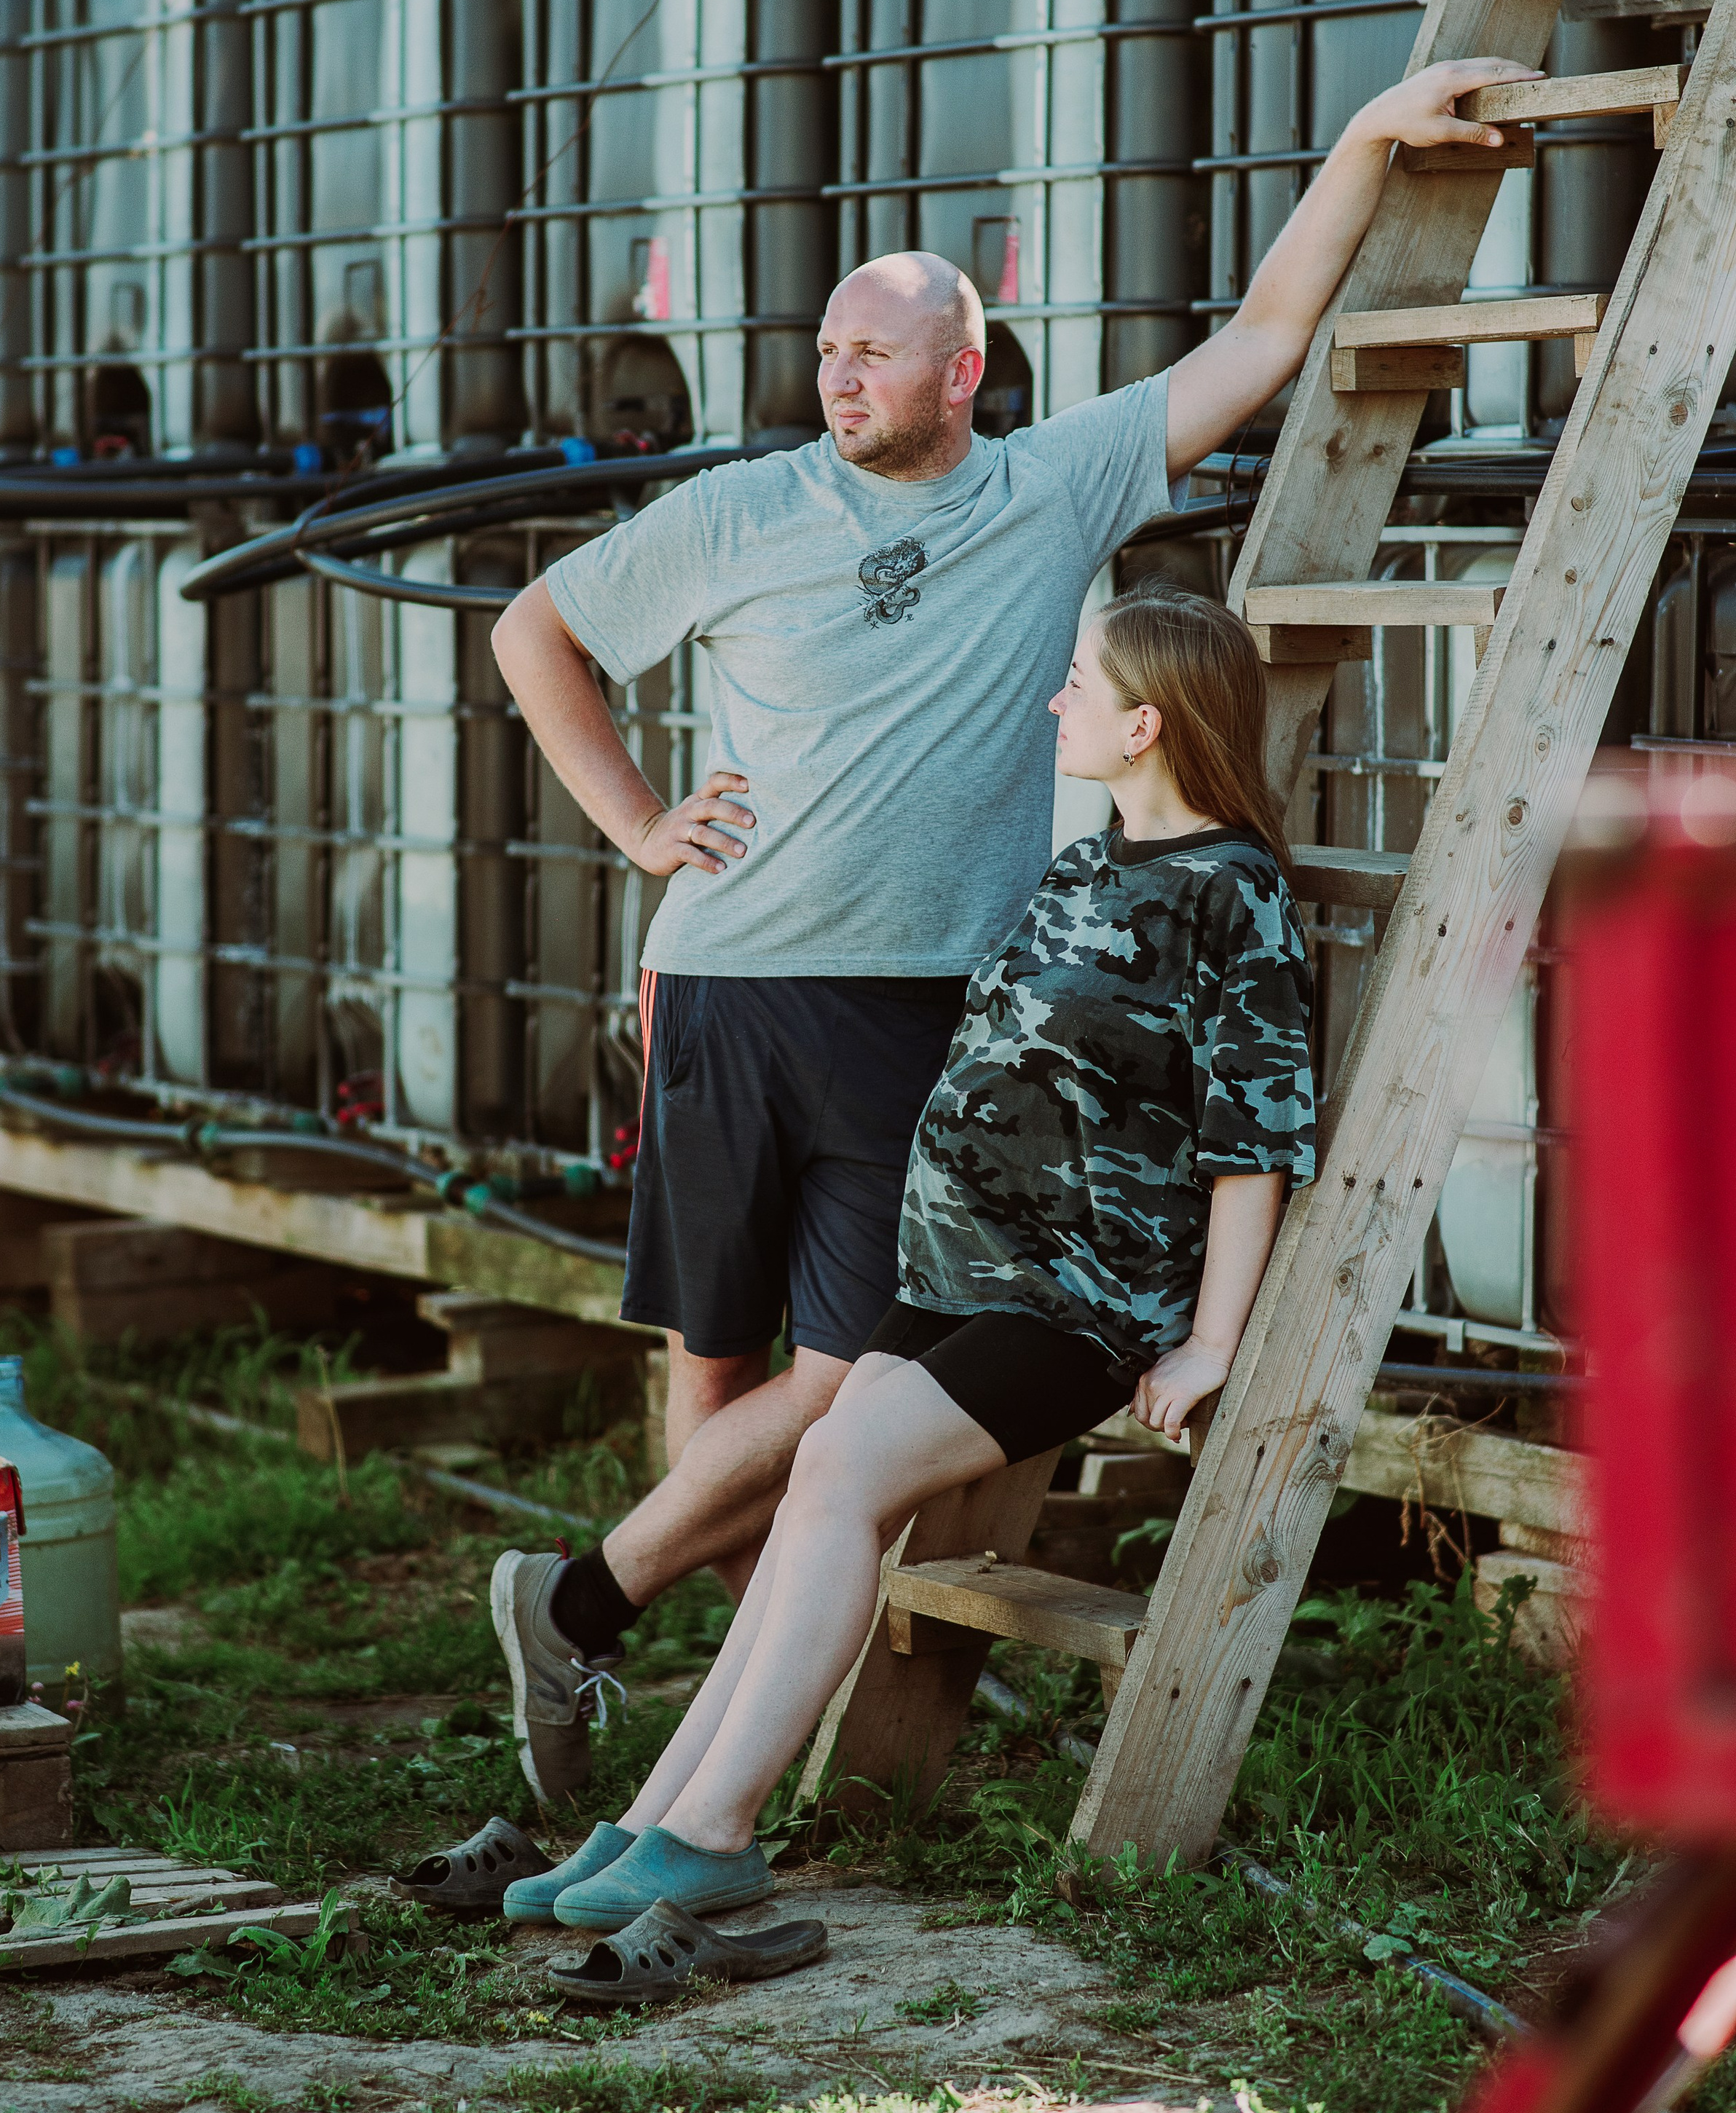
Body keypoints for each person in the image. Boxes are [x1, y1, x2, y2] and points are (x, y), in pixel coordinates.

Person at [484, 53, 1531, 1804]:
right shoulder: (740, 510)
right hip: (726, 973)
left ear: (958, 371)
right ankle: (713, 1707)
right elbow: (534, 632)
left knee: (847, 1372)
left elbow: (1267, 336)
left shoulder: (1049, 488)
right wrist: (640, 825)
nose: (837, 375)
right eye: (826, 350)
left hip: (926, 1006)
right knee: (713, 1349)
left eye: (871, 351)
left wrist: (1360, 135)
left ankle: (592, 1609)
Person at [500, 583, 1316, 1933]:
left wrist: (1211, 1341)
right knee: (820, 1477)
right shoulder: (1087, 865)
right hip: (959, 1278)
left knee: (840, 1474)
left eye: (1079, 683)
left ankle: (713, 1833)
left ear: (1146, 726)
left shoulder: (1232, 897)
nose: (1055, 700)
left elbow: (1254, 1141)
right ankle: (652, 1819)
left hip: (1082, 1300)